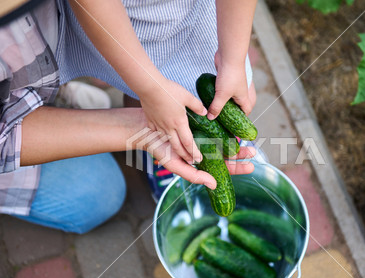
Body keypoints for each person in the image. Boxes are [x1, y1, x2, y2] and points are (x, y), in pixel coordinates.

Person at [0, 0, 257, 234]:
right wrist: (147, 101)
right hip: (15, 87)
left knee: (173, 81)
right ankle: (26, 98)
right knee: (99, 196)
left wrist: (233, 59)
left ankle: (44, 94)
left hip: (49, 36)